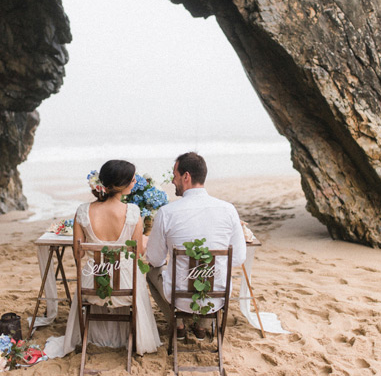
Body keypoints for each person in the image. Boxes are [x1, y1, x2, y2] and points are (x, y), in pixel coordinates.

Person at [44, 160, 161, 358]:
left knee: (92, 270)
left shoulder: (82, 211)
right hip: (125, 287)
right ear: (121, 184)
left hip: (92, 285)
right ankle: (129, 336)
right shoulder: (133, 212)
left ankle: (92, 332)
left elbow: (78, 254)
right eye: (132, 179)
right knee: (135, 272)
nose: (135, 182)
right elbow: (137, 253)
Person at [145, 152, 247, 340]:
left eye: (175, 175)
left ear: (186, 177)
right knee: (214, 273)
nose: (173, 181)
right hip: (217, 296)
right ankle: (202, 327)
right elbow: (239, 258)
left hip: (179, 297)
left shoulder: (167, 213)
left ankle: (178, 324)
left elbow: (155, 259)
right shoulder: (228, 210)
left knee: (151, 272)